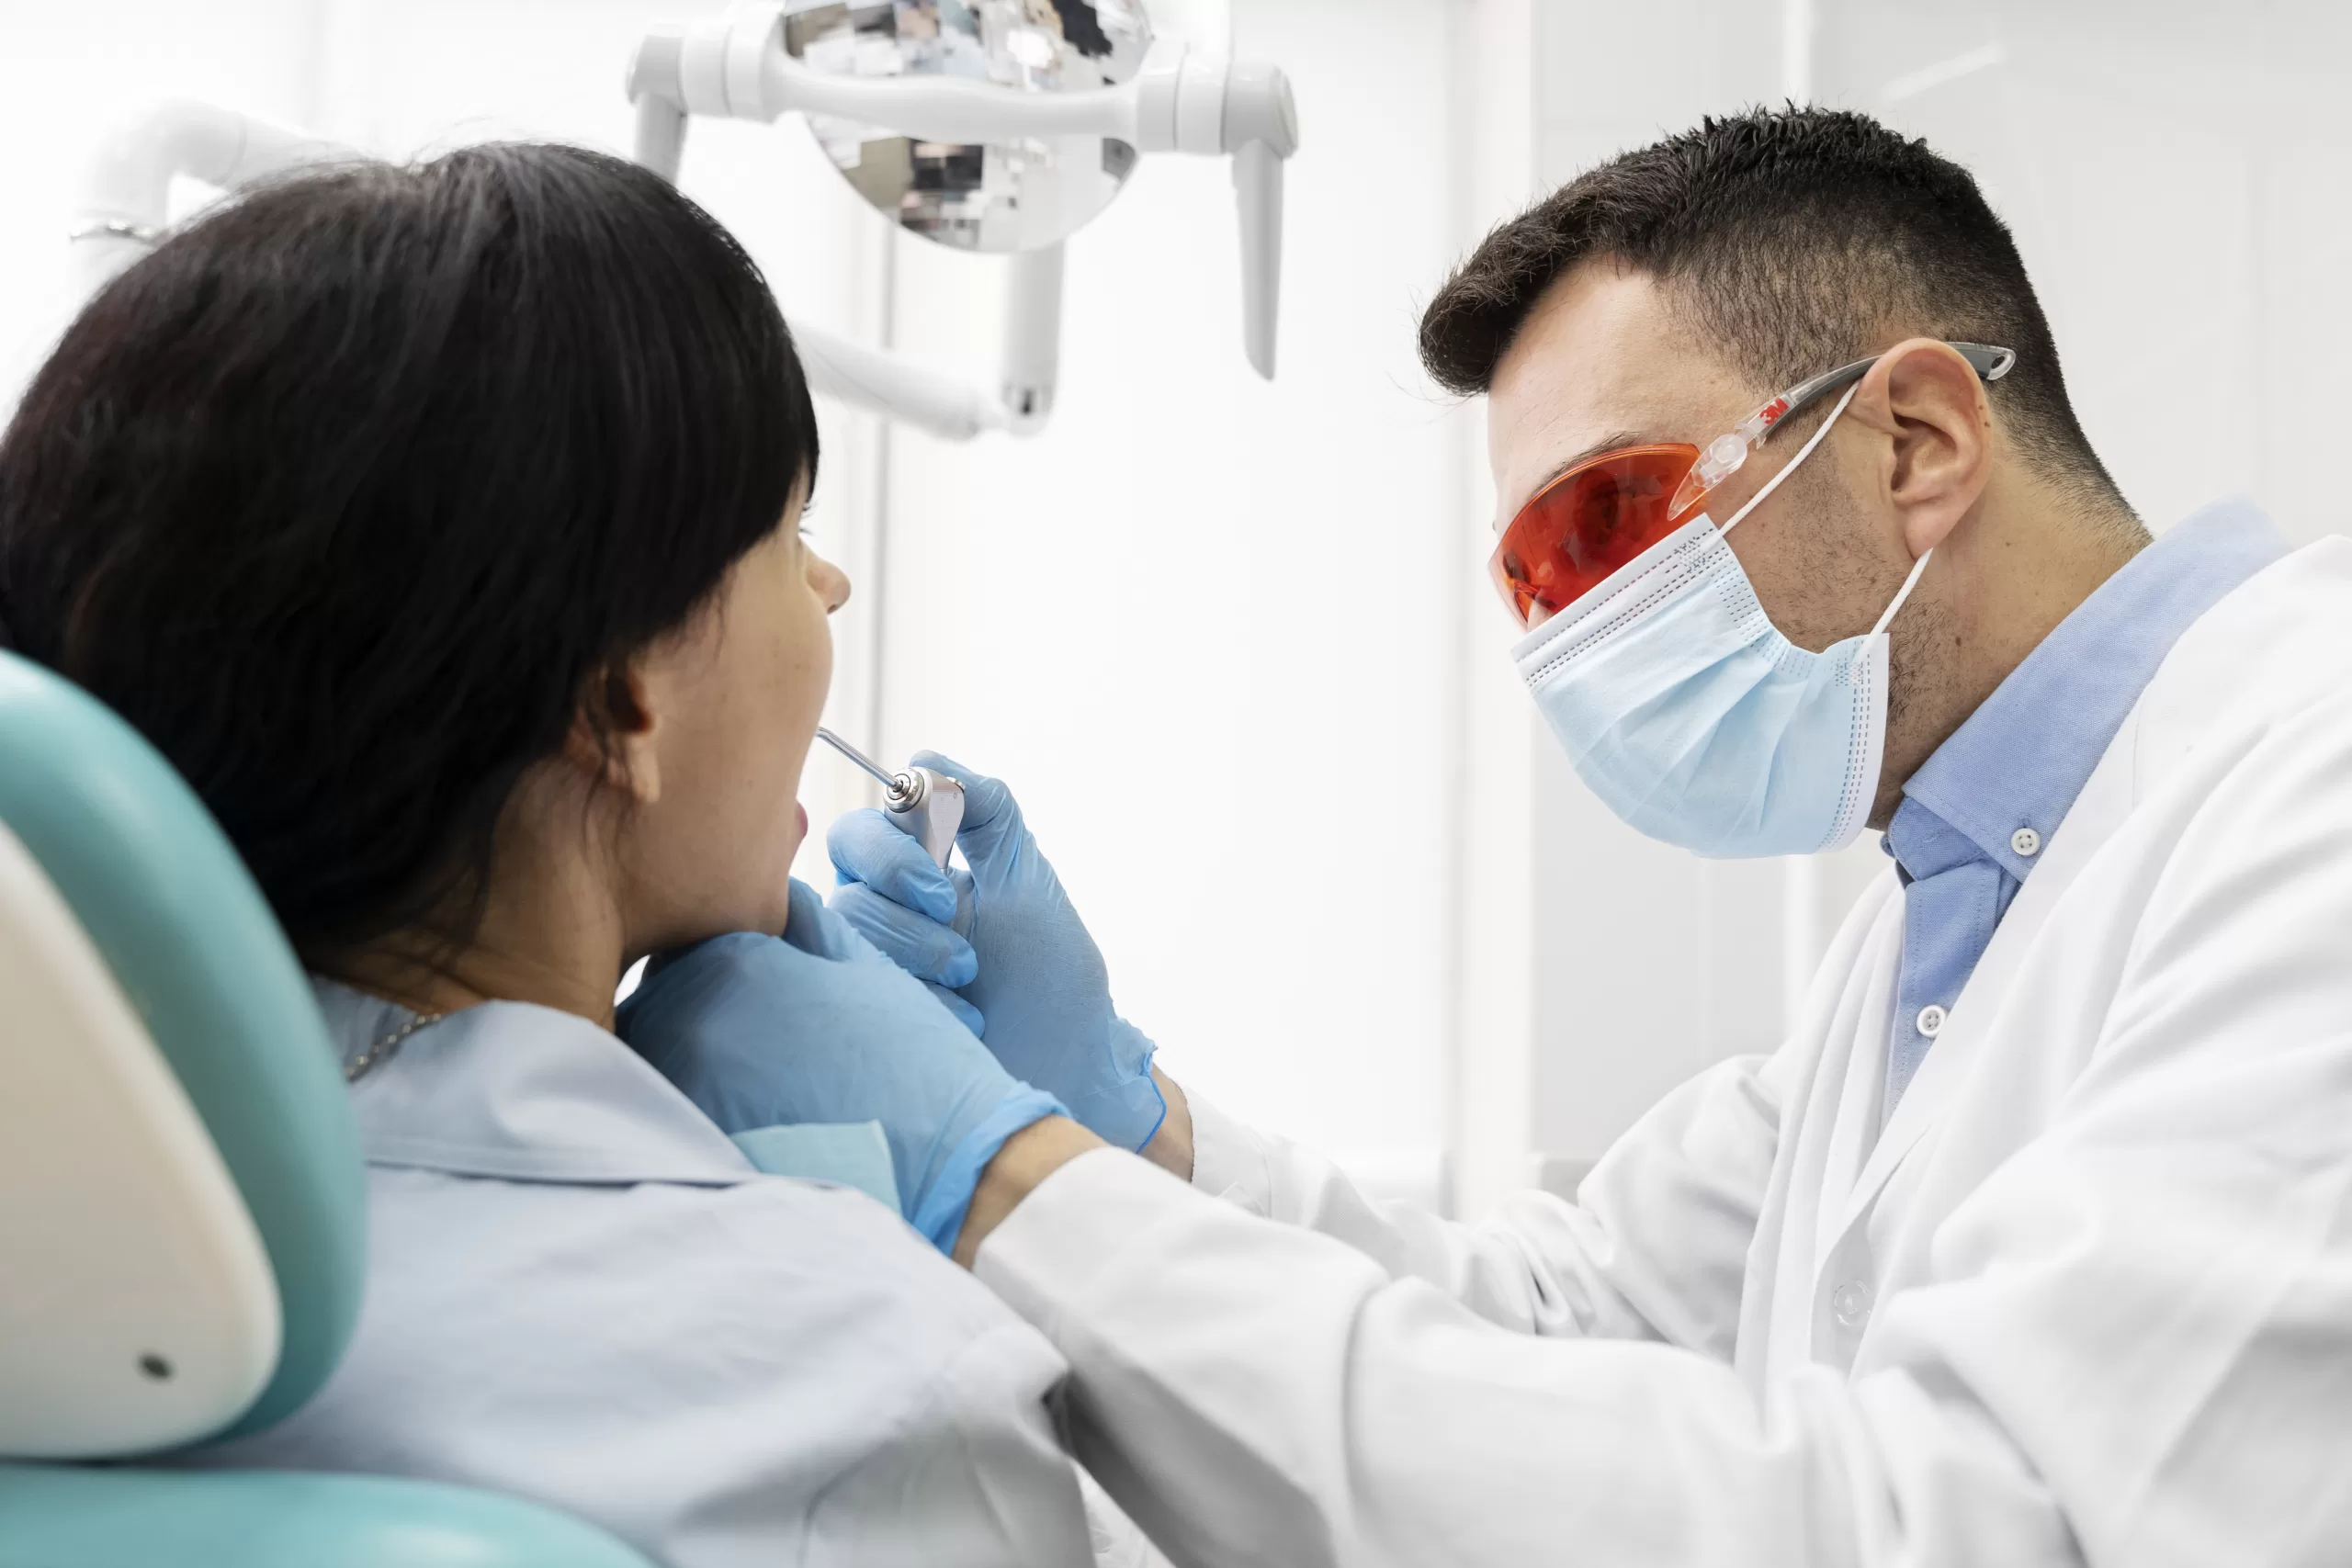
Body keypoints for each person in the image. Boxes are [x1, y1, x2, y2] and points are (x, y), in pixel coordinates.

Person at [624, 107, 2352, 1564]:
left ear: (1913, 443)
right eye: (1531, 578)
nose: (1565, 635)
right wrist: (1121, 1116)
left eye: (1608, 521)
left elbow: (1969, 1521)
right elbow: (1548, 1319)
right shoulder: (1945, 910)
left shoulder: (2306, 800)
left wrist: (995, 1175)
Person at [0, 142, 1131, 1567]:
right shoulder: (863, 1377)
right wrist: (1038, 1165)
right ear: (616, 706)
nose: (830, 584)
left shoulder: (51, 1283)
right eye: (793, 530)